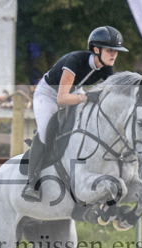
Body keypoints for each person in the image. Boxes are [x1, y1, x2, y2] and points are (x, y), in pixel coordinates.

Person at [23, 26, 128, 200]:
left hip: (75, 92)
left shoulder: (106, 68)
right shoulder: (74, 61)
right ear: (96, 49)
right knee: (45, 131)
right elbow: (62, 99)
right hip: (48, 94)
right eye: (110, 50)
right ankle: (31, 182)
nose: (114, 55)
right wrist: (86, 98)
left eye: (116, 51)